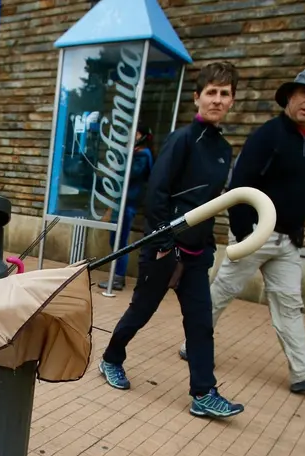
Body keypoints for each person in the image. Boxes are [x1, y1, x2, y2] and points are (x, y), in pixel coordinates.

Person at [98, 62, 244, 419]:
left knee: (200, 323)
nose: (217, 99)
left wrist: (207, 245)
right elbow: (157, 193)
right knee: (141, 312)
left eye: (224, 94)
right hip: (165, 248)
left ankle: (204, 393)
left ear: (232, 101)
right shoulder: (182, 139)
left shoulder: (224, 149)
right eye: (211, 92)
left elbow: (211, 203)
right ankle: (110, 358)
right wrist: (164, 240)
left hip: (196, 254)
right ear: (197, 97)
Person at [194, 68, 305, 394]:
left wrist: (297, 232)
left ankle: (302, 371)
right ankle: (194, 343)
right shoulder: (268, 135)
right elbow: (240, 185)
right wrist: (243, 231)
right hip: (256, 234)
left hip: (288, 240)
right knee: (221, 293)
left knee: (290, 303)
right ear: (290, 96)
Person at [99, 126, 154, 291]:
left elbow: (132, 174)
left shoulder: (143, 155)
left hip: (128, 204)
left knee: (120, 241)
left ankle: (118, 278)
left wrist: (118, 167)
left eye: (135, 134)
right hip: (123, 202)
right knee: (114, 239)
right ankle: (117, 276)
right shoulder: (135, 153)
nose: (131, 137)